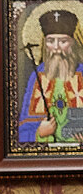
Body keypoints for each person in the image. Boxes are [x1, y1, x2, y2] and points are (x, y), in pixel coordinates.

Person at [18, 9, 83, 144]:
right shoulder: (37, 76)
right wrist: (39, 132)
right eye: (51, 41)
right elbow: (22, 129)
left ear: (73, 43)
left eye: (63, 41)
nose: (56, 48)